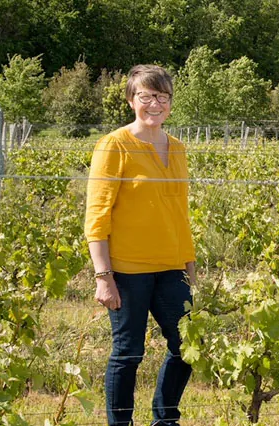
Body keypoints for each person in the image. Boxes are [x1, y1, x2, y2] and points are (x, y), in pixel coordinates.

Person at [86, 64, 196, 426]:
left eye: (162, 97)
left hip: (170, 268)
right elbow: (97, 215)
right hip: (127, 270)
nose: (155, 104)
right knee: (128, 353)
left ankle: (165, 419)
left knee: (189, 346)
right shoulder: (114, 145)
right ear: (132, 100)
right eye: (146, 96)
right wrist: (104, 275)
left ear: (170, 104)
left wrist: (189, 263)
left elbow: (180, 210)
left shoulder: (177, 148)